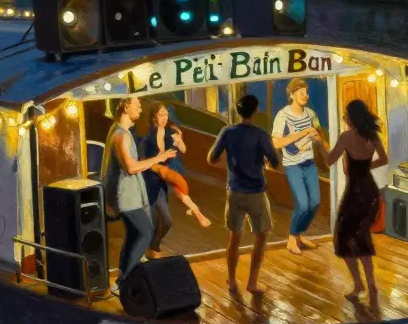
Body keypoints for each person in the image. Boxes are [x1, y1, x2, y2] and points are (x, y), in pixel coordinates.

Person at [101, 96, 177, 295]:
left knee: (134, 235)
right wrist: (159, 158)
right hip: (126, 197)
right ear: (126, 107)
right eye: (137, 106)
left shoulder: (120, 132)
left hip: (128, 195)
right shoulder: (121, 136)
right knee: (145, 232)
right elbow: (132, 167)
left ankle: (122, 280)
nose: (141, 110)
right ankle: (123, 280)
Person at [207, 94, 281, 294]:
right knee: (262, 235)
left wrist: (230, 166)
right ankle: (252, 282)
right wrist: (264, 164)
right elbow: (275, 161)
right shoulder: (260, 134)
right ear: (255, 111)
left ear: (238, 111)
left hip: (234, 191)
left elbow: (211, 158)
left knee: (234, 237)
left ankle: (231, 281)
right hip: (256, 192)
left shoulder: (227, 132)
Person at [323, 99, 389, 299]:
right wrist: (365, 167)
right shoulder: (372, 135)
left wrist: (320, 144)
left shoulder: (346, 137)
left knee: (343, 238)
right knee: (362, 236)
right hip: (369, 190)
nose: (344, 117)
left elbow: (328, 160)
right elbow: (384, 159)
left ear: (352, 117)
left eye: (345, 114)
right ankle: (371, 285)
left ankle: (359, 285)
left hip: (355, 192)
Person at [139, 102, 211, 260]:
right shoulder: (146, 140)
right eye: (161, 114)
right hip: (153, 180)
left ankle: (153, 247)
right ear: (153, 117)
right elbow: (143, 162)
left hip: (170, 172)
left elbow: (183, 150)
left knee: (179, 196)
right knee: (164, 219)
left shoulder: (171, 132)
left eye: (166, 114)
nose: (165, 118)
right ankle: (151, 248)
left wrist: (180, 141)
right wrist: (157, 164)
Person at [270, 79, 327, 254]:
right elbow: (276, 143)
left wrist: (319, 139)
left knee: (315, 202)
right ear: (292, 94)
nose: (305, 96)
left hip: (309, 163)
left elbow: (319, 132)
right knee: (302, 204)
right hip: (293, 165)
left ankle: (301, 233)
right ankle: (292, 239)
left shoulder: (310, 114)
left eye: (306, 92)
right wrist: (300, 134)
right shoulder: (283, 115)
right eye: (301, 92)